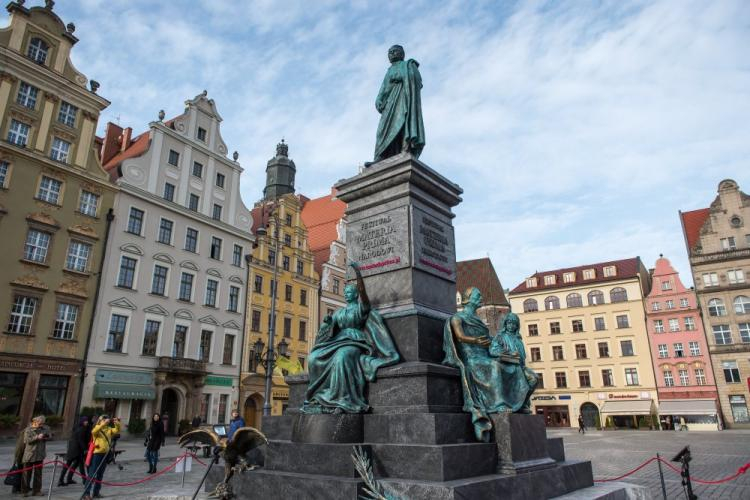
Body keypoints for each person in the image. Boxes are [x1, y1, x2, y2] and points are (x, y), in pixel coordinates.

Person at [302, 262, 400, 414]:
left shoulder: (362, 308)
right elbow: (329, 330)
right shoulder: (339, 312)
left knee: (342, 357)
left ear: (355, 295)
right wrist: (327, 324)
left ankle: (342, 400)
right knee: (314, 357)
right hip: (338, 341)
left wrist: (359, 275)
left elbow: (364, 296)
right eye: (345, 291)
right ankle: (317, 398)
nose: (346, 294)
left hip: (356, 342)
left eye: (349, 291)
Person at [443, 289, 538, 442]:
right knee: (495, 366)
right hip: (471, 358)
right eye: (478, 296)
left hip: (484, 355)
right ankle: (499, 403)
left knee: (513, 367)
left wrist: (505, 353)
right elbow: (460, 336)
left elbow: (491, 342)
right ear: (468, 299)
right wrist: (475, 341)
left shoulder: (479, 320)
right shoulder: (457, 318)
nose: (481, 298)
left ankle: (517, 404)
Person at [373, 44, 425, 162]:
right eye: (389, 52)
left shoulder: (409, 65)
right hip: (390, 104)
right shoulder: (390, 70)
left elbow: (417, 81)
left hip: (404, 100)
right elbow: (384, 87)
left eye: (394, 51)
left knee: (404, 124)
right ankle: (381, 155)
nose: (391, 53)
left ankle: (405, 148)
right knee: (382, 131)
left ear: (402, 54)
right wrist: (379, 99)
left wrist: (402, 76)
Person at [82, 415, 121, 500]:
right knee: (92, 474)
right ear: (100, 421)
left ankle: (96, 492)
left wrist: (117, 423)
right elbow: (93, 432)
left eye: (106, 419)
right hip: (97, 454)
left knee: (100, 474)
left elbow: (117, 430)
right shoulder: (97, 428)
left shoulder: (108, 429)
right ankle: (86, 494)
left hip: (105, 454)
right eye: (104, 419)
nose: (106, 421)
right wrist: (102, 424)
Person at [20, 415, 51, 497]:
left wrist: (46, 437)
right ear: (35, 422)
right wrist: (37, 437)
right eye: (40, 423)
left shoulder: (46, 428)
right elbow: (26, 440)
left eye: (43, 423)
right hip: (29, 455)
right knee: (26, 474)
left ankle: (37, 491)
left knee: (38, 474)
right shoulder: (28, 429)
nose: (42, 425)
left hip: (40, 454)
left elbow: (50, 436)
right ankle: (24, 491)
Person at [58, 416, 90, 486]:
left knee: (72, 465)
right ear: (82, 421)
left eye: (87, 421)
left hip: (73, 449)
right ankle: (84, 480)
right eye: (85, 421)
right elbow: (81, 440)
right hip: (77, 450)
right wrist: (85, 449)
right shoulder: (82, 429)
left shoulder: (77, 428)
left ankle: (66, 479)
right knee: (79, 465)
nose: (86, 422)